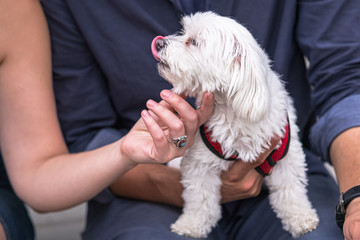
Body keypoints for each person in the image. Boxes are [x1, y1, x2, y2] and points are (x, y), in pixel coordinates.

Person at [40, 0, 360, 239]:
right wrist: (166, 181)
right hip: (142, 186)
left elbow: (345, 82)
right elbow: (84, 136)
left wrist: (357, 197)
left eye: (191, 42)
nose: (169, 42)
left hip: (279, 172)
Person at [0, 0, 215, 239]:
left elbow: (37, 172)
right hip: (143, 198)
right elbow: (76, 141)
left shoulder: (12, 11)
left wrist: (123, 152)